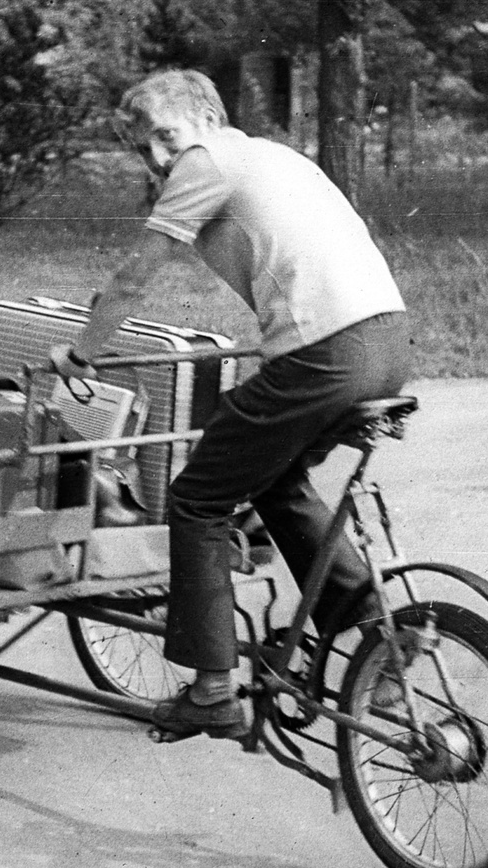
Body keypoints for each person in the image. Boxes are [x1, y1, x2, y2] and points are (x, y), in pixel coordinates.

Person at [51, 69, 410, 739]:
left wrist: (80, 355)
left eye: (165, 135)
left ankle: (213, 687)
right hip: (386, 340)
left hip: (329, 353)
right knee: (273, 479)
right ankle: (372, 625)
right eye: (142, 148)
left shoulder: (208, 159)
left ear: (207, 119)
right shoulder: (269, 155)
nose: (157, 157)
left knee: (196, 497)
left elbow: (132, 280)